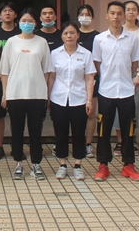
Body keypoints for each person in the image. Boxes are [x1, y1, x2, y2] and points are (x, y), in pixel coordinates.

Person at [92, 1, 139, 182]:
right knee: (103, 130)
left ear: (124, 16)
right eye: (112, 13)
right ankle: (103, 165)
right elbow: (97, 64)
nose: (116, 17)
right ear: (107, 15)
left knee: (128, 130)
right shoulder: (99, 39)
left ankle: (128, 165)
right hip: (106, 91)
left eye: (119, 13)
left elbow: (135, 64)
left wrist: (126, 79)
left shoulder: (132, 39)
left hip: (127, 91)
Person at [0, 8, 50, 181]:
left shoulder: (42, 42)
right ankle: (18, 163)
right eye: (24, 21)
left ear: (35, 23)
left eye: (30, 21)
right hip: (15, 93)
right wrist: (5, 94)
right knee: (17, 130)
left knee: (35, 131)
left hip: (37, 93)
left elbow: (46, 70)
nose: (27, 24)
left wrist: (45, 93)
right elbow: (4, 71)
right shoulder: (11, 42)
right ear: (18, 22)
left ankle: (36, 164)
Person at [48, 21, 96, 181]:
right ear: (62, 36)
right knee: (60, 133)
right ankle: (62, 165)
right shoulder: (55, 53)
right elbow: (52, 77)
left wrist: (89, 100)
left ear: (78, 35)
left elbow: (89, 78)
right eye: (66, 33)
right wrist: (48, 98)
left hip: (79, 99)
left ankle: (78, 165)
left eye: (72, 33)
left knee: (78, 133)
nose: (69, 36)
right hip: (58, 98)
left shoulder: (86, 54)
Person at [0, 2, 21, 161]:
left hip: (18, 80)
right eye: (4, 11)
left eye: (11, 10)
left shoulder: (21, 33)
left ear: (16, 15)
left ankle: (16, 146)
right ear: (0, 15)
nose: (7, 13)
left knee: (16, 116)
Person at [112, 0, 139, 155]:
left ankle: (129, 141)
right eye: (128, 10)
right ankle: (120, 141)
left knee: (133, 110)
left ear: (138, 12)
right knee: (118, 112)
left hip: (136, 77)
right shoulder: (118, 31)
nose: (131, 12)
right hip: (118, 77)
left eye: (134, 9)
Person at [77, 4, 100, 158]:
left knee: (91, 113)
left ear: (92, 17)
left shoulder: (98, 37)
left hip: (93, 79)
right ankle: (77, 143)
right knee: (76, 115)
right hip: (74, 81)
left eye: (88, 14)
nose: (84, 17)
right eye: (82, 14)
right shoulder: (73, 33)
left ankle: (88, 144)